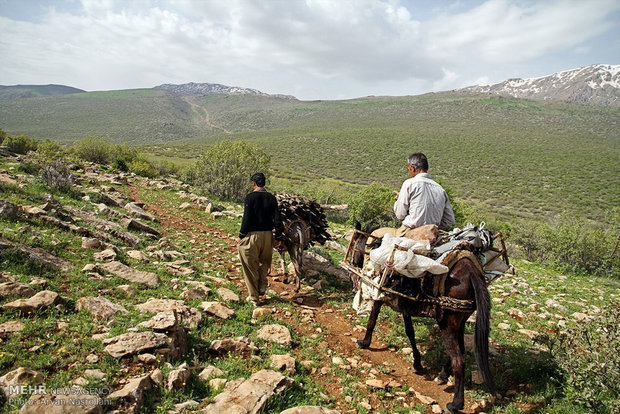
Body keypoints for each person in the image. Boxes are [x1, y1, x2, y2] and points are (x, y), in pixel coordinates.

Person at [371, 153, 455, 240]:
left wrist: (399, 199)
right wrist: (431, 226)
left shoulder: (409, 183)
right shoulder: (440, 189)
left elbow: (400, 215)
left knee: (375, 234)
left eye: (409, 169)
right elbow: (450, 220)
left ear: (413, 168)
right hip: (433, 235)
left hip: (410, 231)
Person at [237, 172, 284, 306]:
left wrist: (241, 235)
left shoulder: (250, 198)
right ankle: (262, 286)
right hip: (268, 235)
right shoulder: (271, 198)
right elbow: (277, 219)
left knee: (249, 265)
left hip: (253, 235)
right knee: (265, 262)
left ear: (254, 183)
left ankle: (254, 297)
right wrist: (278, 236)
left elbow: (246, 219)